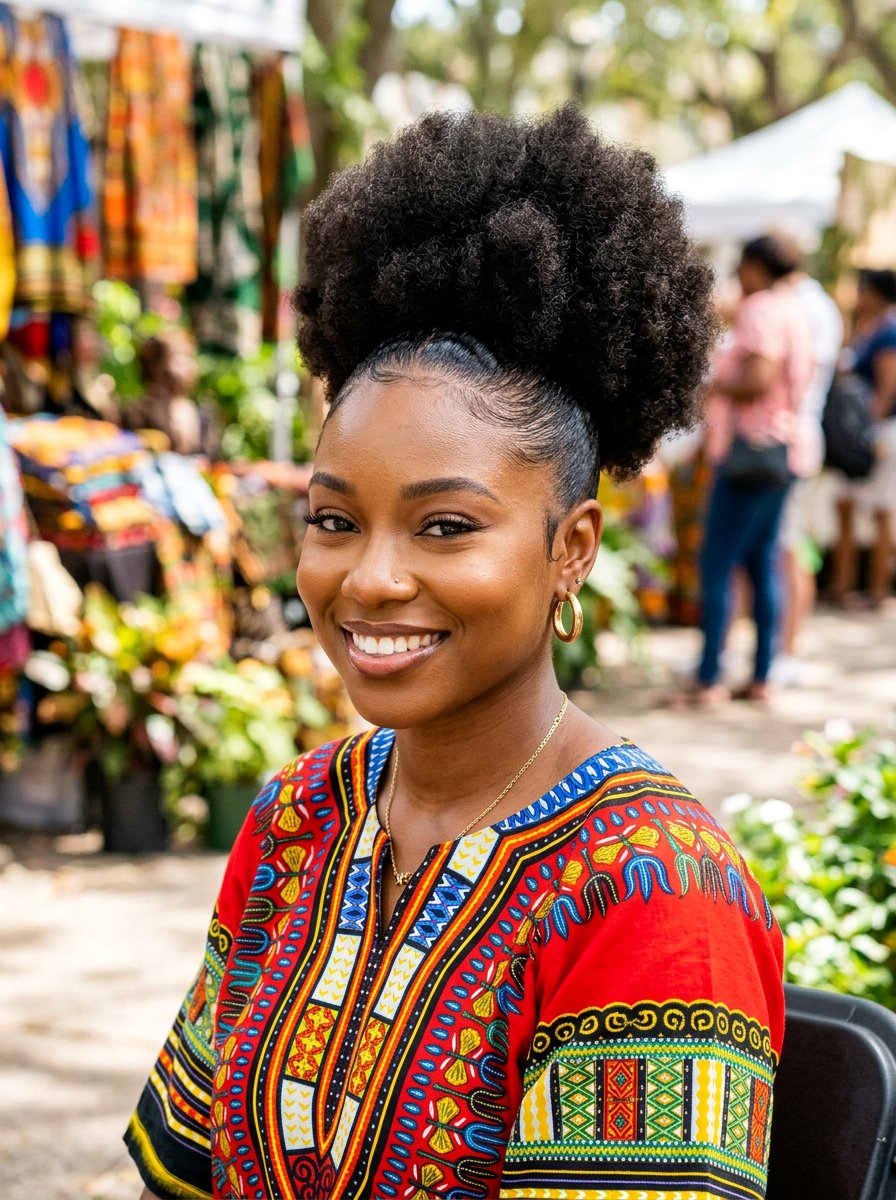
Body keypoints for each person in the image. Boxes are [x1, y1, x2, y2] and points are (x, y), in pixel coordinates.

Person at [127, 107, 784, 1200]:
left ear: (569, 547)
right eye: (334, 521)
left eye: (444, 527)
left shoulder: (655, 895)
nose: (370, 578)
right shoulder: (300, 815)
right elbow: (181, 1174)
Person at [689, 235, 814, 706]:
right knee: (762, 564)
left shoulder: (762, 308)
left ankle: (708, 677)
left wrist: (713, 383)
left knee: (717, 562)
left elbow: (758, 377)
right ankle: (761, 674)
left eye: (743, 267)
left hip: (750, 451)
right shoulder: (794, 308)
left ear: (758, 267)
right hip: (783, 452)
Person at [774, 258, 843, 684]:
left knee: (789, 548)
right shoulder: (817, 305)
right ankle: (784, 648)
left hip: (790, 444)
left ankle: (790, 649)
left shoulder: (800, 307)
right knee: (787, 547)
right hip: (798, 442)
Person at [828, 267, 896, 608]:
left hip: (879, 433)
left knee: (881, 510)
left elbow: (887, 386)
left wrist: (867, 432)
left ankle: (877, 590)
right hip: (862, 433)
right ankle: (843, 585)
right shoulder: (869, 329)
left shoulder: (889, 332)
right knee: (846, 506)